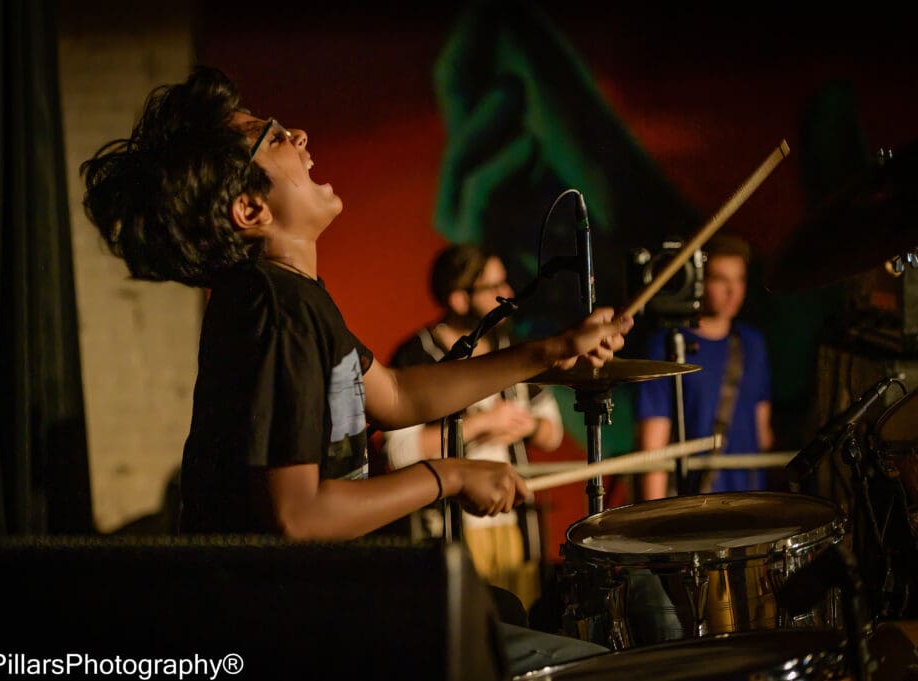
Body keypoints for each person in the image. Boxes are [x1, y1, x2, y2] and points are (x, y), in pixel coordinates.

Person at [80, 66, 631, 673]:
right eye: (275, 137)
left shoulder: (295, 296)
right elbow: (300, 516)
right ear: (250, 208)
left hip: (314, 607)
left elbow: (396, 393)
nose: (300, 138)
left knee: (500, 611)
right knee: (592, 667)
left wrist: (549, 351)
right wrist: (447, 474)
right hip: (285, 627)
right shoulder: (272, 309)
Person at [382, 243, 564, 610]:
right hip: (451, 528)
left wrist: (525, 425)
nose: (509, 294)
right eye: (495, 287)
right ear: (459, 299)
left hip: (515, 525)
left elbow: (553, 433)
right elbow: (396, 452)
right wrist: (481, 424)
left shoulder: (510, 346)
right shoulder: (417, 356)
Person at [636, 233, 774, 499]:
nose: (733, 291)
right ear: (699, 281)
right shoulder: (667, 345)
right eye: (721, 279)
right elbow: (653, 450)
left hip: (751, 504)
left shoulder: (752, 344)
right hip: (693, 507)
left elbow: (763, 434)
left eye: (740, 279)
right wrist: (653, 524)